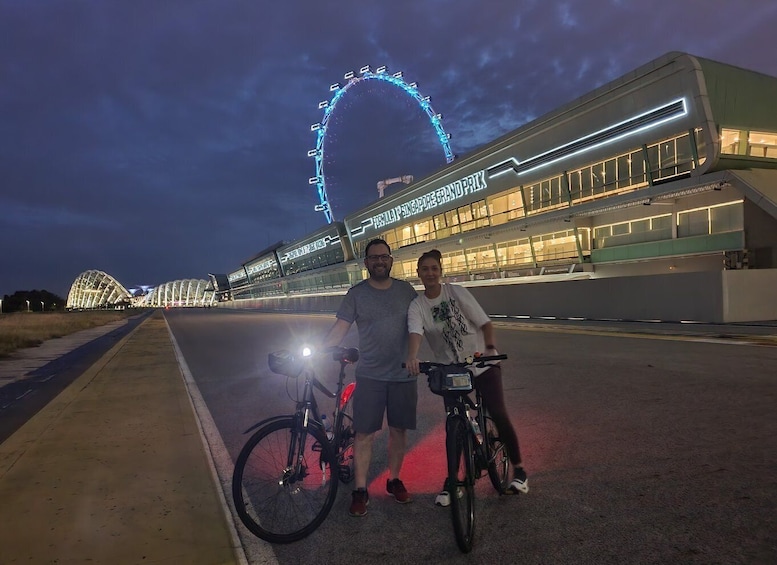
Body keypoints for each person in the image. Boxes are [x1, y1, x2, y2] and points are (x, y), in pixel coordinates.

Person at [405, 249, 528, 506]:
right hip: (452, 369)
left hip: (482, 362)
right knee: (455, 424)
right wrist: (413, 357)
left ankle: (519, 470)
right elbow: (415, 332)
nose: (430, 273)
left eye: (434, 269)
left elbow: (485, 323)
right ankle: (455, 480)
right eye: (424, 269)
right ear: (417, 274)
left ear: (440, 272)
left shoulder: (456, 292)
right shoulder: (417, 306)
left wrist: (490, 347)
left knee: (497, 412)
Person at [323, 238, 420, 517]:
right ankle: (361, 489)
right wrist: (318, 350)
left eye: (384, 257)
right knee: (364, 433)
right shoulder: (357, 294)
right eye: (374, 257)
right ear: (366, 264)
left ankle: (394, 479)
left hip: (403, 375)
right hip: (370, 376)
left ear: (391, 260)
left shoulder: (406, 291)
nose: (380, 261)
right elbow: (339, 328)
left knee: (399, 430)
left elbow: (420, 324)